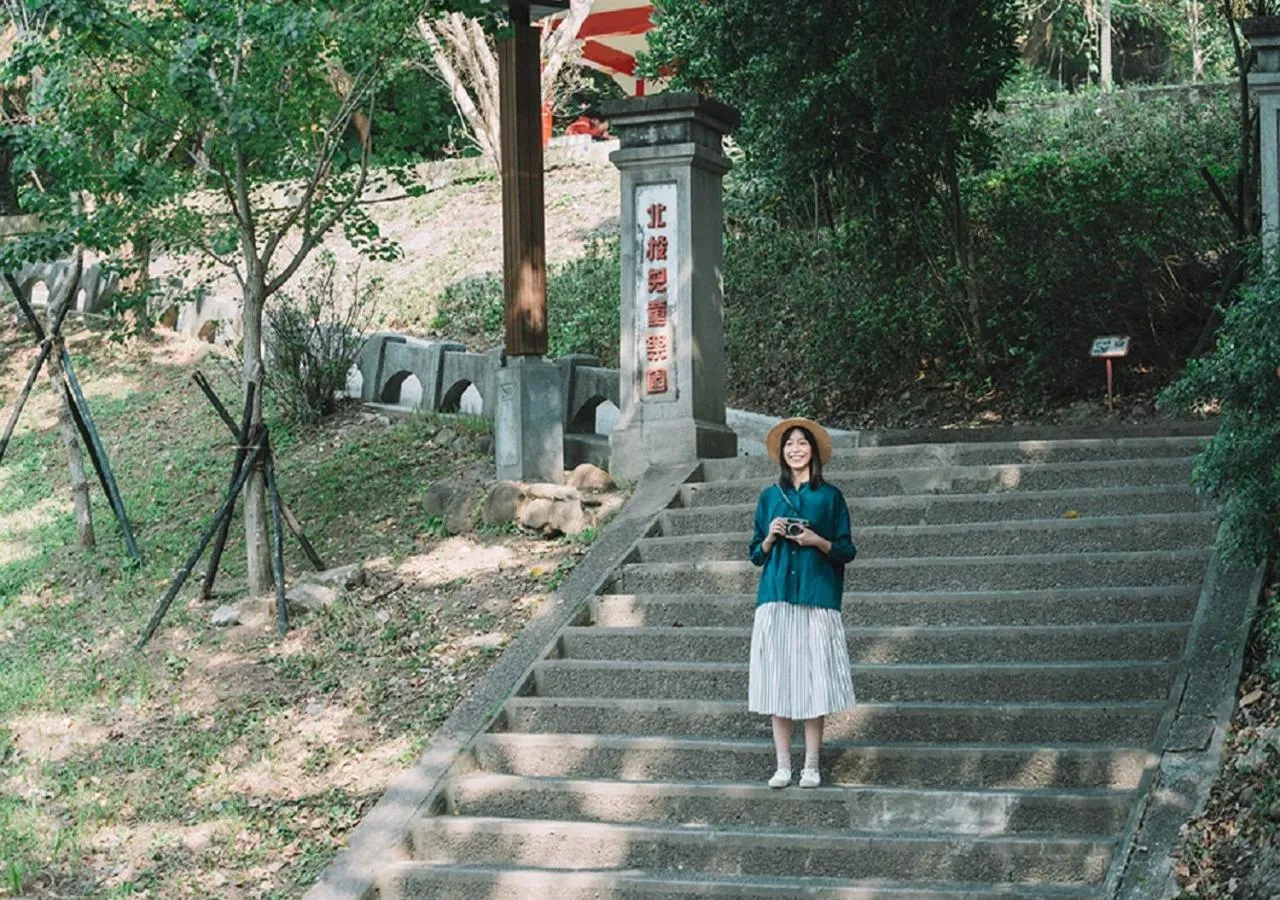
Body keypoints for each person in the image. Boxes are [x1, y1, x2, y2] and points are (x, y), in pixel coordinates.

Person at [747, 417, 857, 789]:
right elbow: (755, 555)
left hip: (817, 596)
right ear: (782, 453)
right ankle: (782, 766)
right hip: (775, 596)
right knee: (777, 681)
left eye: (802, 443)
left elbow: (846, 550)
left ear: (813, 451)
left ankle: (811, 765)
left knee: (815, 682)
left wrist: (815, 540)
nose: (795, 449)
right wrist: (770, 537)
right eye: (789, 444)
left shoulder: (830, 497)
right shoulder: (768, 498)